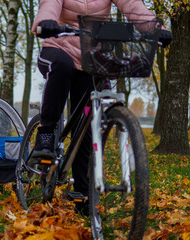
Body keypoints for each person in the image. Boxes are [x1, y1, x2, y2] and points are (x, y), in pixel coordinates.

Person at [31, 0, 172, 215]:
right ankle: (47, 132)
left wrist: (156, 28)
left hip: (91, 55)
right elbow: (50, 4)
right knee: (61, 66)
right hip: (58, 46)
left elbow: (132, 5)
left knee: (89, 126)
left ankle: (82, 193)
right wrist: (46, 21)